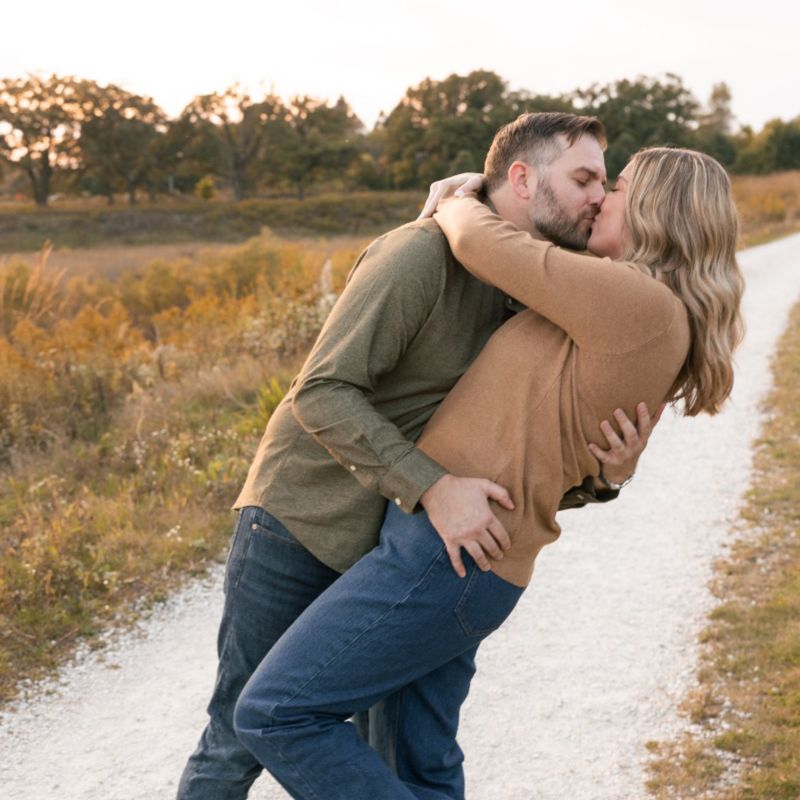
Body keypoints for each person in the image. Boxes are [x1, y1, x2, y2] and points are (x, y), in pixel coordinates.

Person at [230, 146, 745, 800]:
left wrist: (459, 195)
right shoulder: (627, 302)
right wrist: (611, 476)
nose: (600, 200)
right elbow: (550, 435)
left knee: (276, 712)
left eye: (615, 188)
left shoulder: (637, 302)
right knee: (420, 764)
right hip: (460, 554)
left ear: (656, 210)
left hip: (448, 555)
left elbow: (480, 242)